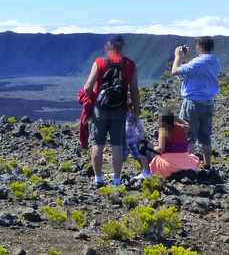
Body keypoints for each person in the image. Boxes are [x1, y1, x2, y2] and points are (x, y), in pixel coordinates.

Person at [82, 36, 140, 186]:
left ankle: (98, 179)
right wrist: (136, 112)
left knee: (98, 144)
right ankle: (116, 180)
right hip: (120, 110)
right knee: (117, 146)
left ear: (109, 47)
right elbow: (134, 90)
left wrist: (94, 100)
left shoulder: (100, 63)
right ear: (122, 47)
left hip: (100, 110)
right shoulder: (129, 65)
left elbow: (87, 87)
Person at [171, 36, 222, 167]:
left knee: (188, 135)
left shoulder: (197, 63)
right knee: (205, 135)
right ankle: (207, 163)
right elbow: (194, 70)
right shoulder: (215, 61)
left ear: (199, 46)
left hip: (193, 103)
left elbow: (175, 71)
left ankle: (188, 165)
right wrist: (185, 59)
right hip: (208, 102)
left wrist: (178, 56)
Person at [148, 109, 200, 178]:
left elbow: (161, 149)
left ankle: (146, 171)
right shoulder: (181, 127)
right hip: (185, 162)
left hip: (169, 166)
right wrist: (176, 118)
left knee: (148, 149)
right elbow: (187, 125)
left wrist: (152, 147)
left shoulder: (163, 130)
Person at [124, 114, 153, 179]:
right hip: (129, 143)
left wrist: (138, 138)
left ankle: (147, 172)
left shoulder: (132, 117)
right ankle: (144, 171)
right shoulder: (119, 118)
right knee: (136, 157)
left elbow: (141, 130)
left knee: (141, 155)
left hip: (137, 142)